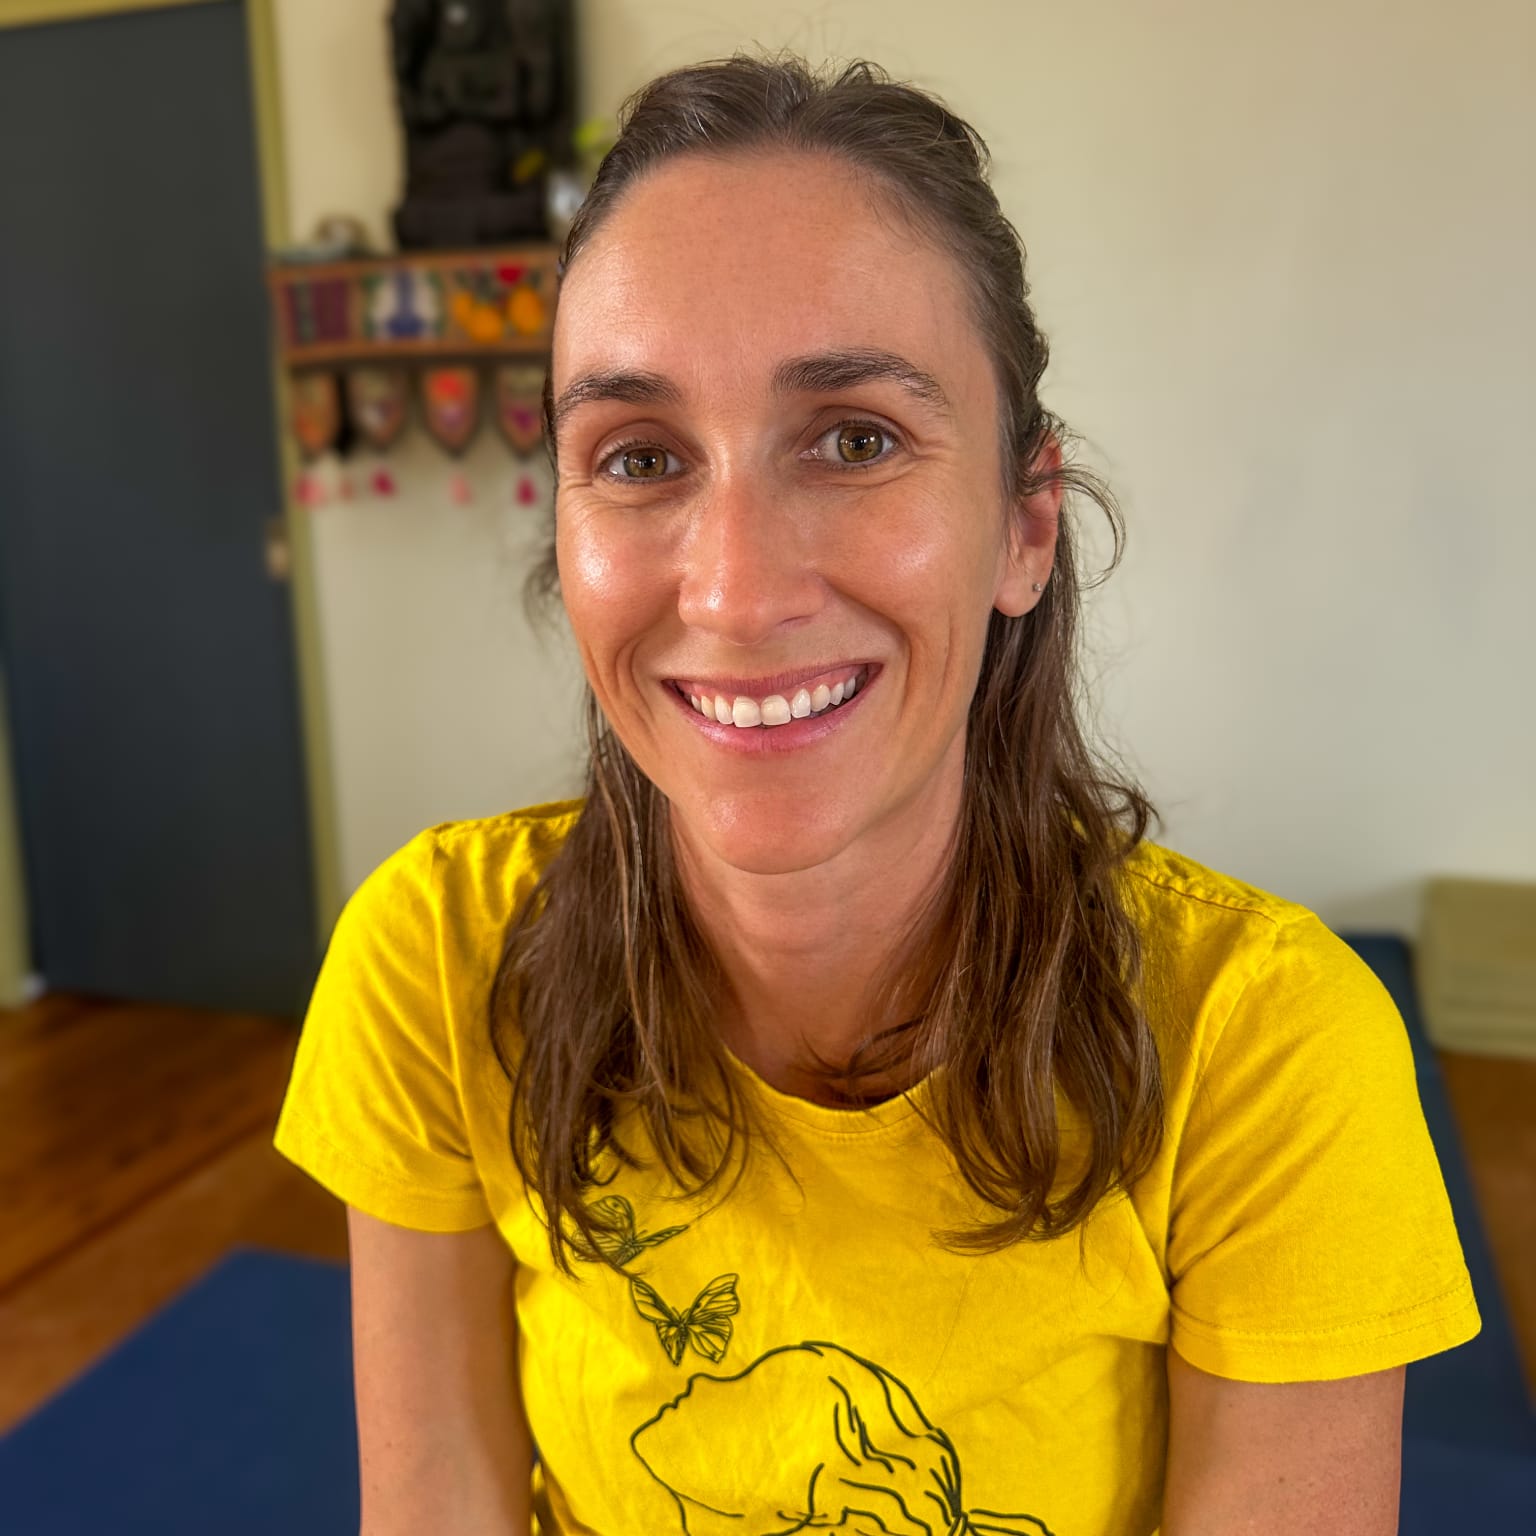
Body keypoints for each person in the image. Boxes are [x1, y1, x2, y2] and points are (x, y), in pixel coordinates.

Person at [273, 54, 1480, 1536]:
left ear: (1024, 527)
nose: (734, 591)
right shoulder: (434, 960)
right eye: (640, 457)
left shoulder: (1271, 1051)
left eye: (856, 439)